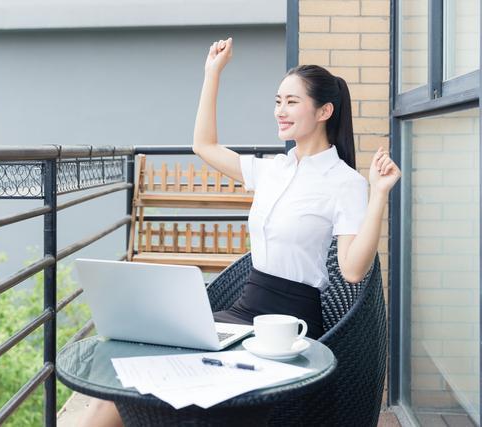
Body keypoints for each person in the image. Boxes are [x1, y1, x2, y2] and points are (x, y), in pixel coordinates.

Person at [78, 36, 401, 427]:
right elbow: (204, 145)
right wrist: (212, 73)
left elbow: (352, 270)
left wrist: (379, 195)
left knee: (152, 387)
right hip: (244, 308)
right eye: (278, 101)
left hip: (288, 326)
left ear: (324, 111)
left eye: (292, 102)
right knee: (120, 382)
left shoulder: (346, 182)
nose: (280, 111)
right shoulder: (273, 170)